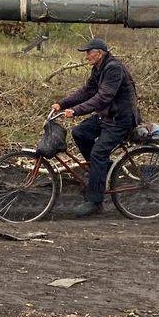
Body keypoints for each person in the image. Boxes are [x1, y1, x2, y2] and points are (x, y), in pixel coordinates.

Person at [52, 37, 141, 217]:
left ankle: (95, 202)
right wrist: (62, 104)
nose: (86, 56)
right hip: (107, 117)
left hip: (121, 120)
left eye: (88, 52)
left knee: (98, 153)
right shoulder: (99, 68)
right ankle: (101, 170)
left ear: (99, 53)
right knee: (80, 132)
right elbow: (87, 91)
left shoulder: (113, 68)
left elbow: (103, 98)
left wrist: (76, 111)